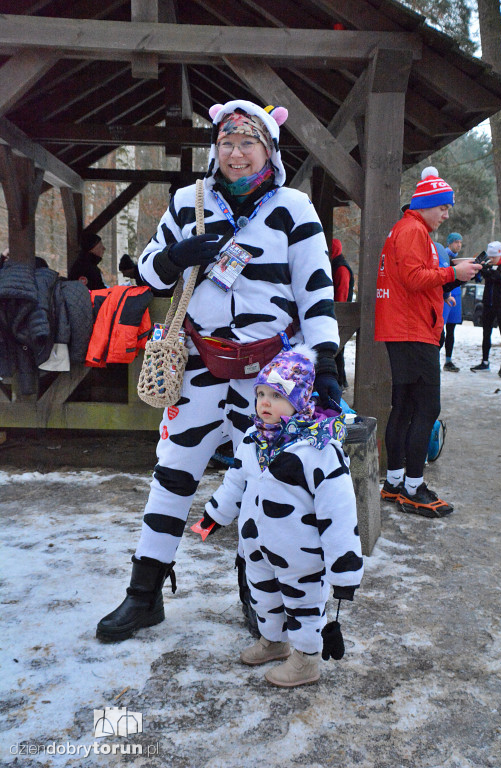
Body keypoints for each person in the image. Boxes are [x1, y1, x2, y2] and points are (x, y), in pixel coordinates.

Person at [96, 99, 342, 642]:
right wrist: (180, 255)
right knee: (171, 478)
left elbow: (316, 292)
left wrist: (325, 361)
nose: (235, 153)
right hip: (201, 367)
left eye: (247, 142)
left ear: (268, 149)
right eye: (227, 143)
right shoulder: (189, 201)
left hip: (271, 379)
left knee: (266, 487)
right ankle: (143, 594)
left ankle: (262, 598)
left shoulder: (294, 210)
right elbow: (149, 277)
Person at [198, 345, 363, 687]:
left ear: (301, 399)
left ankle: (306, 659)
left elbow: (339, 510)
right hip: (256, 546)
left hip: (300, 554)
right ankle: (274, 641)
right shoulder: (251, 440)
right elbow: (235, 483)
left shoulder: (320, 450)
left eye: (276, 394)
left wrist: (344, 567)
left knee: (303, 605)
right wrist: (213, 516)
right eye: (260, 393)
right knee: (263, 596)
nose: (264, 402)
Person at [375, 166, 481, 517]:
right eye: (443, 207)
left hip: (406, 327)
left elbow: (414, 282)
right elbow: (413, 276)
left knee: (404, 408)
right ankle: (413, 487)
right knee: (425, 409)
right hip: (413, 332)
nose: (446, 214)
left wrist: (446, 286)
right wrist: (453, 273)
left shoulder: (406, 229)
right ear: (428, 204)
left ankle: (393, 483)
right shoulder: (412, 231)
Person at [470, 241, 501, 377]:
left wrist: (489, 271)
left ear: (500, 254)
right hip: (488, 303)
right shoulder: (488, 264)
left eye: (494, 257)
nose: (491, 259)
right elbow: (481, 277)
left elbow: (500, 278)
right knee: (486, 333)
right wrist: (480, 269)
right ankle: (485, 361)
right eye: (490, 257)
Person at [330, 238, 354, 388]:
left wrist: (337, 311)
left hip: (339, 314)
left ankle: (340, 381)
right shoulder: (337, 265)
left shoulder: (340, 268)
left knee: (338, 351)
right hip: (337, 313)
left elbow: (342, 294)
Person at [442, 233, 464, 372]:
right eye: (456, 242)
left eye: (460, 242)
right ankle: (434, 360)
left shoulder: (459, 259)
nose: (459, 245)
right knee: (439, 330)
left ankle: (448, 361)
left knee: (451, 330)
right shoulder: (443, 255)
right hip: (445, 295)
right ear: (450, 243)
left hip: (456, 294)